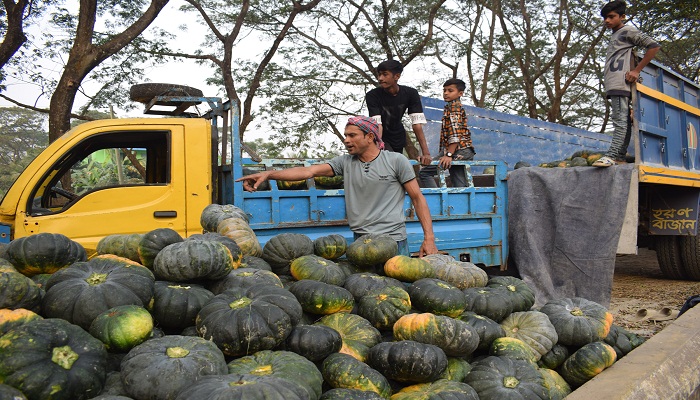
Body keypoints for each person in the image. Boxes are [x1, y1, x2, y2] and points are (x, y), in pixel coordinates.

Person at [236, 116, 438, 257]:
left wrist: (429, 238)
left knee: (397, 293)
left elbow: (418, 199)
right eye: (345, 135)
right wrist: (269, 174)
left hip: (393, 241)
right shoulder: (345, 162)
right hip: (361, 242)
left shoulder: (396, 161)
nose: (346, 140)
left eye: (352, 135)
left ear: (370, 137)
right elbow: (308, 172)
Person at [593, 0, 660, 167]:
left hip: (620, 82)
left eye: (611, 17)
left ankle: (612, 154)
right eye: (604, 18)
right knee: (622, 119)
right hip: (614, 83)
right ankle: (620, 156)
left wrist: (636, 70)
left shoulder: (627, 31)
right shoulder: (616, 34)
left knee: (619, 120)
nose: (606, 21)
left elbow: (653, 46)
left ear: (622, 16)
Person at [366, 60, 432, 165]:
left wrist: (426, 153)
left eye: (385, 74)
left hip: (398, 137)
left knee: (397, 167)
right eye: (379, 75)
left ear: (396, 76)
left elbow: (417, 124)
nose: (380, 78)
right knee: (390, 163)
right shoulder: (372, 95)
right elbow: (378, 125)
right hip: (382, 137)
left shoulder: (411, 93)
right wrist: (377, 146)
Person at [418, 78, 475, 188]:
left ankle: (437, 201)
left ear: (460, 93)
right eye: (444, 90)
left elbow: (455, 134)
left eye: (450, 90)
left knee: (424, 173)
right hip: (462, 150)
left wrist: (449, 155)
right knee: (459, 184)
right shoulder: (451, 107)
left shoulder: (454, 108)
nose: (446, 93)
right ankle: (460, 204)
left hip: (459, 150)